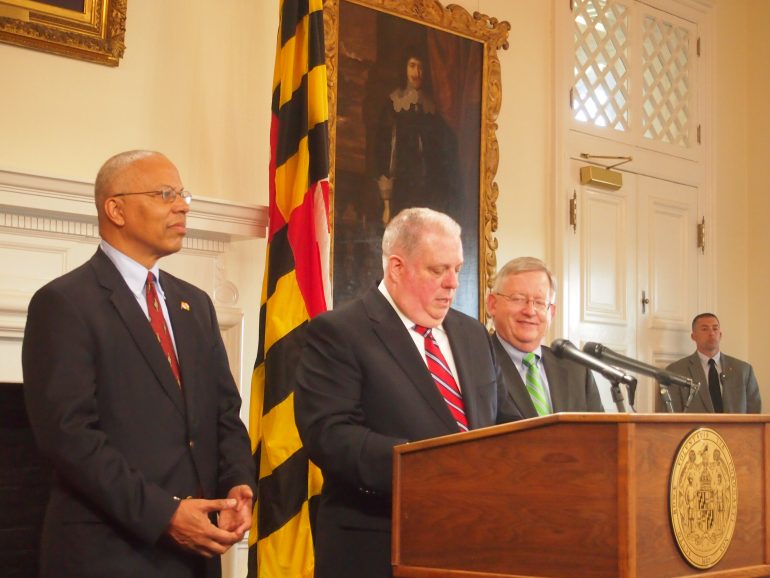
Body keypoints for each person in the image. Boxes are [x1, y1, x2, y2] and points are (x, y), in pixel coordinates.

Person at [22, 150, 256, 578]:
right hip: (109, 555)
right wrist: (165, 514)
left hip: (196, 558)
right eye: (165, 193)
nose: (182, 205)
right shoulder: (64, 304)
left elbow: (223, 413)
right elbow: (69, 438)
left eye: (183, 194)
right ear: (116, 209)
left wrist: (238, 485)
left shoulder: (196, 305)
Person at [294, 207, 521, 578]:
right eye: (438, 270)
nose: (452, 283)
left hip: (477, 543)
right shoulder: (340, 332)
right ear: (397, 268)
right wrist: (434, 468)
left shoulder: (474, 335)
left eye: (457, 269)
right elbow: (330, 435)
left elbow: (507, 422)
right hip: (381, 545)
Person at [486, 257, 604, 417]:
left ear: (552, 312)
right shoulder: (478, 366)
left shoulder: (577, 369)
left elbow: (600, 436)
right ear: (493, 305)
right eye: (518, 299)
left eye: (540, 303)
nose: (530, 311)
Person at [374, 46, 461, 224]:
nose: (417, 72)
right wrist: (387, 203)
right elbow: (384, 153)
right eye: (412, 66)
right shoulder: (393, 105)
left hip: (428, 192)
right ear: (405, 69)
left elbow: (441, 151)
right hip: (402, 189)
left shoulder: (431, 110)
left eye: (421, 67)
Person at [667, 313, 761, 413]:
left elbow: (755, 413)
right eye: (704, 329)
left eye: (715, 329)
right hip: (696, 428)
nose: (711, 333)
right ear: (693, 336)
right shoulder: (676, 371)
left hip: (735, 429)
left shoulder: (743, 370)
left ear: (720, 335)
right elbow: (670, 415)